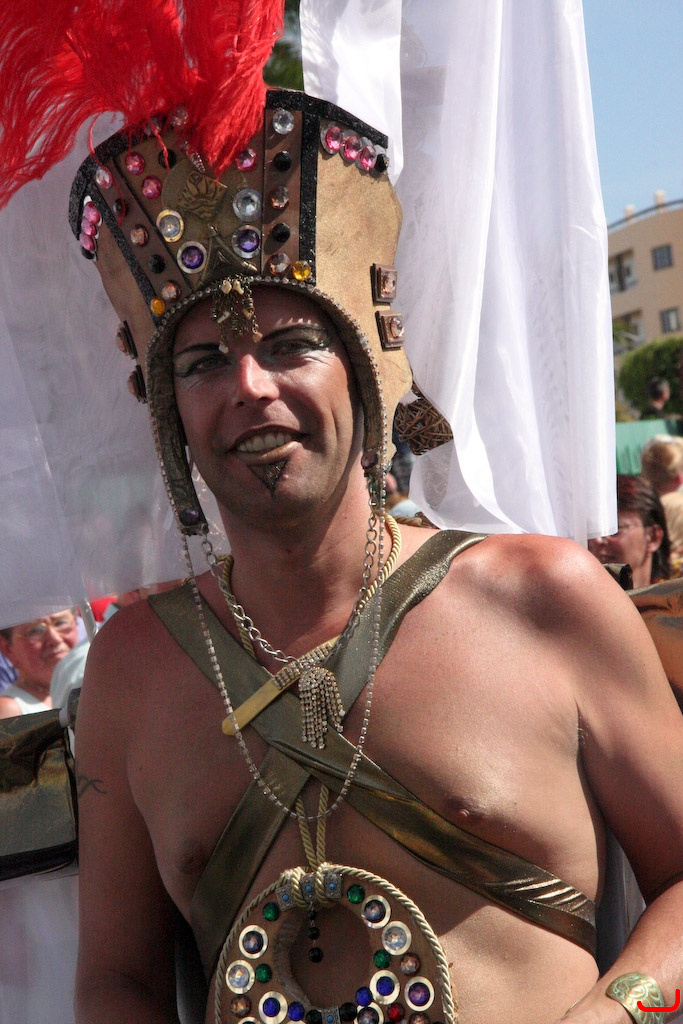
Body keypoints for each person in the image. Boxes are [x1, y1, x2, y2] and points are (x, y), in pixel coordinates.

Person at [54, 90, 683, 1024]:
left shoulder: (544, 599)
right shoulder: (132, 670)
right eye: (203, 363)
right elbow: (119, 982)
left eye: (290, 345)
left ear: (365, 368)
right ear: (169, 411)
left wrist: (610, 1016)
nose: (249, 386)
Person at [588, 474, 671, 588]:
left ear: (653, 537)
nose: (597, 540)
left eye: (614, 530)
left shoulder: (674, 597)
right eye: (592, 530)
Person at [0, 610, 79, 717]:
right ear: (7, 648)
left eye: (60, 623)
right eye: (35, 630)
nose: (55, 639)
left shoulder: (90, 684)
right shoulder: (10, 711)